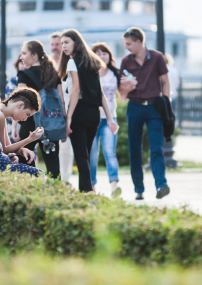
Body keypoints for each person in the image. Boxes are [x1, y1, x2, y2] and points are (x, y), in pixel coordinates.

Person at [59, 29, 118, 193]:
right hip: (94, 115)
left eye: (66, 42)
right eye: (62, 43)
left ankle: (89, 192)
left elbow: (76, 91)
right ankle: (84, 191)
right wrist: (110, 118)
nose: (63, 46)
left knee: (81, 156)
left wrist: (68, 116)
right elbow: (101, 95)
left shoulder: (73, 62)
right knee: (85, 153)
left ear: (76, 42)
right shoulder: (93, 61)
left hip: (79, 112)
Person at [119, 27, 171, 200]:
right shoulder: (126, 61)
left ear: (139, 42)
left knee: (156, 147)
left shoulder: (157, 57)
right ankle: (139, 189)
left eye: (129, 44)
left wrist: (166, 102)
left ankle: (161, 185)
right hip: (134, 107)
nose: (126, 47)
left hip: (154, 108)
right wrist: (126, 87)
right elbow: (121, 91)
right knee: (135, 149)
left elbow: (165, 81)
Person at [17, 40, 66, 178]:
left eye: (24, 53)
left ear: (34, 55)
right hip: (50, 122)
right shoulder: (53, 74)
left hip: (29, 123)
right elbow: (61, 101)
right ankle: (56, 193)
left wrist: (14, 124)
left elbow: (20, 103)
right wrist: (63, 124)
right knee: (53, 164)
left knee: (25, 160)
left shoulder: (24, 74)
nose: (21, 57)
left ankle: (32, 191)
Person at [90, 43, 126, 197]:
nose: (101, 56)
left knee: (109, 152)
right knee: (91, 155)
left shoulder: (115, 73)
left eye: (104, 53)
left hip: (109, 120)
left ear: (109, 56)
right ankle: (91, 187)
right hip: (91, 120)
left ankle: (114, 186)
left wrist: (129, 87)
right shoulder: (90, 73)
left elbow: (123, 96)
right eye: (97, 53)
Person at [0, 87, 46, 163]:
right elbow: (4, 150)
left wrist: (21, 150)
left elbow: (8, 147)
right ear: (20, 105)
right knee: (37, 173)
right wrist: (30, 139)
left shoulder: (1, 115)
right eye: (27, 114)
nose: (25, 119)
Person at [50, 32, 74, 184]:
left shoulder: (70, 63)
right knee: (57, 146)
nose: (55, 47)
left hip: (70, 109)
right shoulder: (48, 64)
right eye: (52, 44)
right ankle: (58, 178)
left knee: (67, 147)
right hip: (54, 111)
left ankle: (66, 178)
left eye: (57, 44)